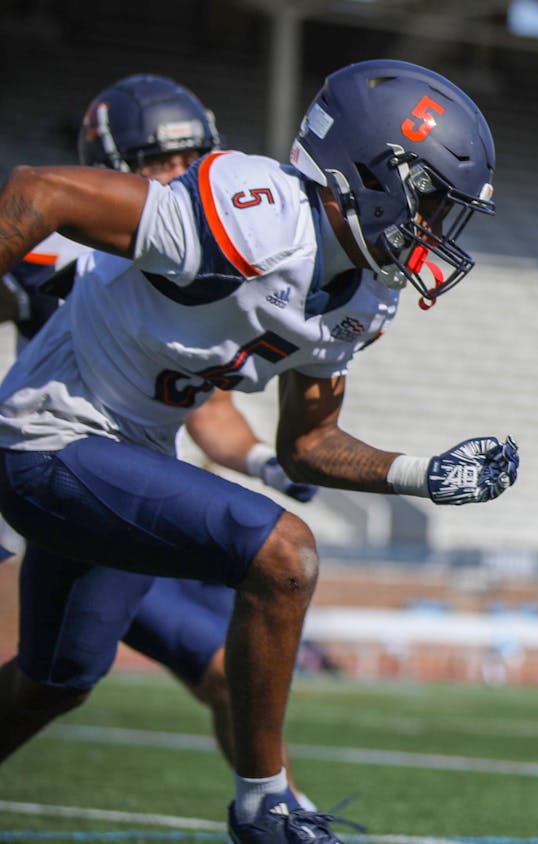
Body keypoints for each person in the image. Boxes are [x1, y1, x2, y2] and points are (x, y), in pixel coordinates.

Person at [0, 59, 519, 844]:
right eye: (431, 203)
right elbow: (41, 191)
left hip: (124, 456)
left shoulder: (363, 293)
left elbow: (308, 445)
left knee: (54, 683)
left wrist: (423, 473)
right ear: (374, 175)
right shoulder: (255, 220)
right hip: (48, 437)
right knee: (284, 556)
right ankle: (263, 804)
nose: (434, 231)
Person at [0, 74, 320, 801]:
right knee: (59, 681)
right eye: (157, 160)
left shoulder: (204, 259)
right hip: (66, 471)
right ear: (111, 165)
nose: (179, 173)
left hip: (137, 486)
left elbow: (204, 405)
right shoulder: (54, 249)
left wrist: (266, 462)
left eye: (192, 156)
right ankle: (279, 812)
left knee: (63, 684)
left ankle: (283, 812)